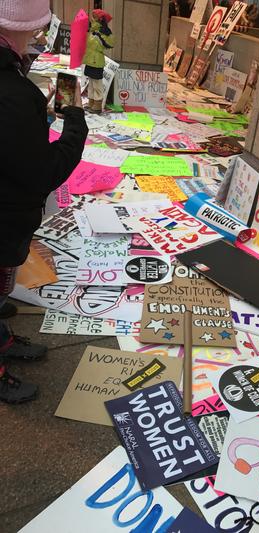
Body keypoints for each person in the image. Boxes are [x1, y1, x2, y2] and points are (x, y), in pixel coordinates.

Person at [0, 0, 88, 403]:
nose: (37, 40)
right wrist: (74, 119)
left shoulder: (15, 87)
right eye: (34, 31)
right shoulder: (14, 92)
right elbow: (44, 172)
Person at [82, 9, 114, 114]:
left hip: (97, 60)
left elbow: (110, 44)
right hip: (89, 59)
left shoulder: (104, 32)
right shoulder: (91, 30)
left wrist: (99, 36)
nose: (92, 18)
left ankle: (97, 104)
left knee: (97, 84)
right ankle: (91, 102)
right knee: (91, 83)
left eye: (94, 17)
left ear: (100, 19)